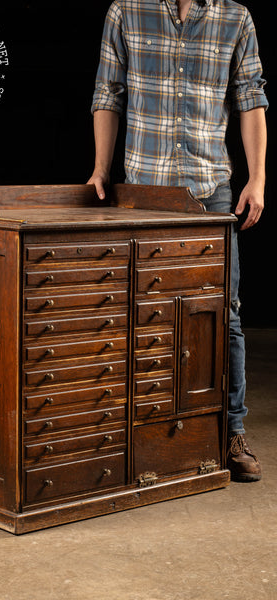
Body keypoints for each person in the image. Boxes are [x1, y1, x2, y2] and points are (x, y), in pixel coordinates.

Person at [88, 0, 268, 482]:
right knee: (138, 310)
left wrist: (259, 179)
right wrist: (101, 170)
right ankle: (136, 435)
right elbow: (109, 92)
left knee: (222, 314)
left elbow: (249, 97)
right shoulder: (127, 10)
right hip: (144, 191)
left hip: (211, 192)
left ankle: (230, 432)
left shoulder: (235, 17)